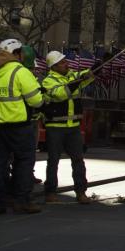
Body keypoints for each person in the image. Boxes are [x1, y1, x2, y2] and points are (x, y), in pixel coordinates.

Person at [0, 39, 44, 215]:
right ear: (17, 54)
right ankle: (21, 201)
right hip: (20, 126)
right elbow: (36, 100)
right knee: (23, 162)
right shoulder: (20, 71)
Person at [41, 50, 94, 204]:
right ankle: (50, 192)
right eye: (62, 63)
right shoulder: (48, 81)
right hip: (55, 127)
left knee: (78, 160)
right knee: (53, 161)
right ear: (53, 67)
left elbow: (86, 75)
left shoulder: (72, 75)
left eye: (65, 61)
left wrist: (96, 67)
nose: (66, 64)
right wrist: (80, 80)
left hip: (73, 127)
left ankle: (81, 192)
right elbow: (61, 94)